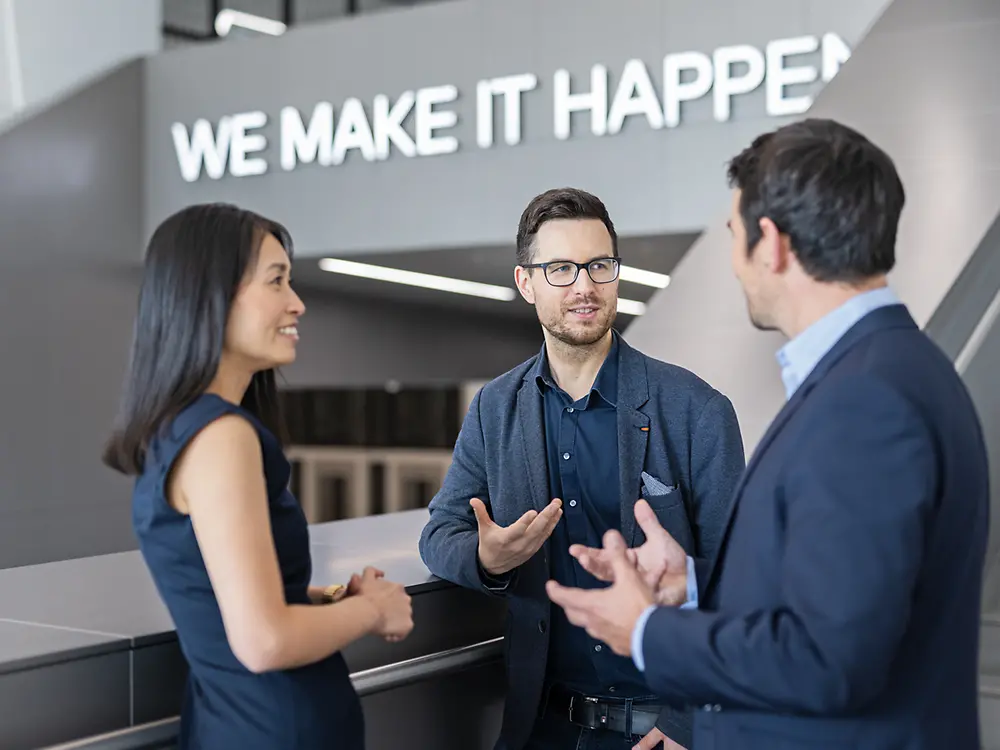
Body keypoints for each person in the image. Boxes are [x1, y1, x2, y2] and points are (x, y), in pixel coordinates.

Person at [546, 118, 990, 749]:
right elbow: (839, 597)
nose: (734, 262)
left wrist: (647, 632)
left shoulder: (866, 403)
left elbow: (829, 661)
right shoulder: (888, 371)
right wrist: (694, 584)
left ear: (773, 245)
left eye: (733, 236)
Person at [418, 188, 745, 750]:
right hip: (544, 728)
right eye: (561, 269)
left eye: (599, 265)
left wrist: (690, 723)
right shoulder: (497, 407)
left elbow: (742, 579)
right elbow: (439, 533)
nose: (585, 286)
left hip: (665, 731)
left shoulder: (696, 410)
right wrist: (486, 558)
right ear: (527, 283)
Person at [103, 203, 414, 750]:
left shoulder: (180, 430)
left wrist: (329, 598)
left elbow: (223, 595)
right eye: (277, 282)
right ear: (211, 294)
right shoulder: (222, 437)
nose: (297, 303)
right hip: (274, 728)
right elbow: (264, 641)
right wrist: (372, 610)